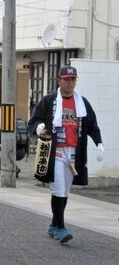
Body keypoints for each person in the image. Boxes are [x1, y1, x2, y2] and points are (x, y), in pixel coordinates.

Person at [28, 65, 105, 244]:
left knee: (65, 191)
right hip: (55, 150)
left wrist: (99, 142)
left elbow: (92, 125)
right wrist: (38, 127)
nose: (69, 83)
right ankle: (61, 228)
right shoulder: (49, 101)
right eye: (66, 79)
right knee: (58, 189)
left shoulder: (82, 103)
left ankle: (54, 225)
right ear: (59, 80)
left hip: (74, 152)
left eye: (72, 80)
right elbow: (35, 120)